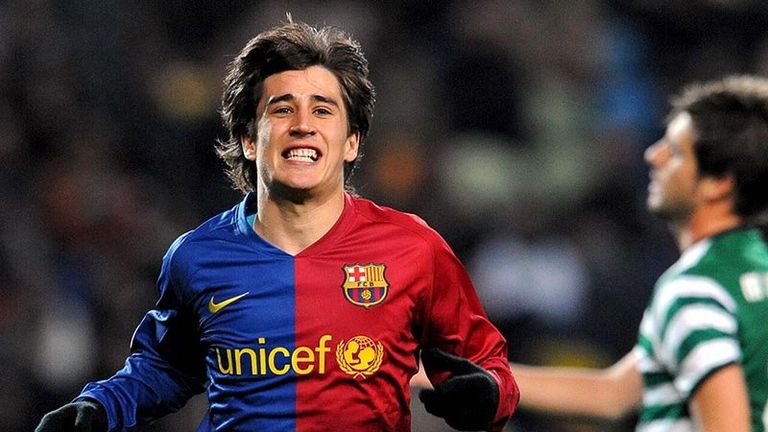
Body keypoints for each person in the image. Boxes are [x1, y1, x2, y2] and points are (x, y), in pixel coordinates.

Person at [34, 18, 519, 432]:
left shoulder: (414, 248)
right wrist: (98, 407)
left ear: (351, 141)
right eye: (282, 108)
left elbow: (487, 363)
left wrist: (488, 395)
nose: (303, 124)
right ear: (249, 139)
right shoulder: (196, 256)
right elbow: (164, 367)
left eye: (323, 110)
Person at [507, 75, 768, 431]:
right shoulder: (753, 268)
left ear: (717, 184)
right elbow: (614, 394)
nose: (654, 155)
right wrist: (474, 376)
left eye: (675, 152)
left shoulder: (697, 289)